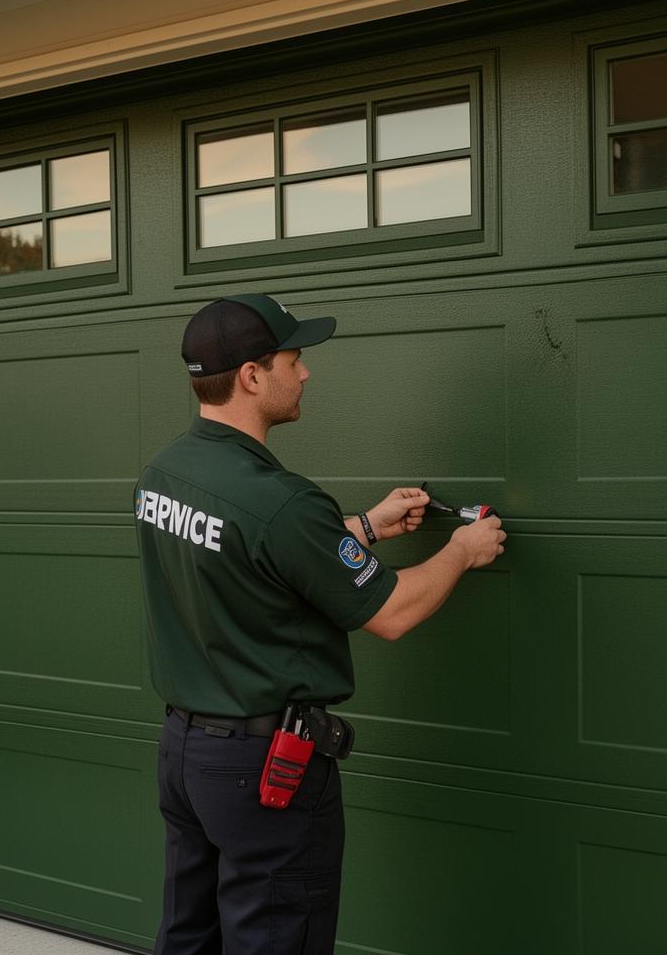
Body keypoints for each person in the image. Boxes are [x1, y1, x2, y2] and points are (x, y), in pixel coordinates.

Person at [135, 293, 506, 953]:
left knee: (189, 936)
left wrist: (364, 526)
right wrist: (461, 552)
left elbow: (251, 552)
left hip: (186, 756)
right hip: (262, 774)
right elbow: (390, 613)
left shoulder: (165, 473)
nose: (304, 373)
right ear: (253, 375)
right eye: (294, 359)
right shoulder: (280, 499)